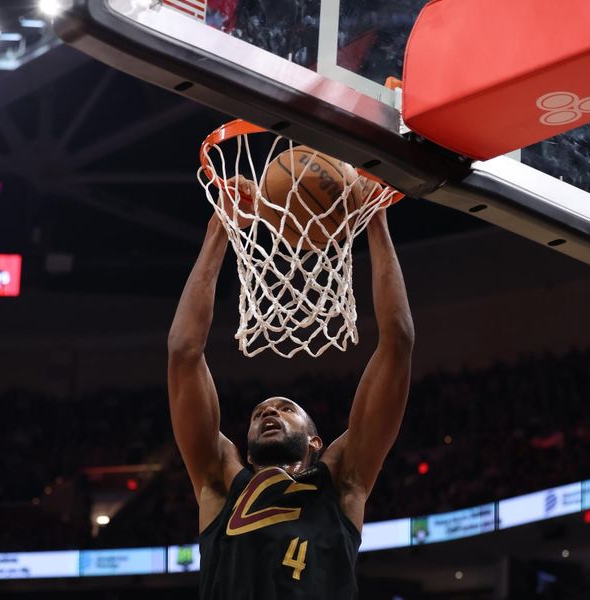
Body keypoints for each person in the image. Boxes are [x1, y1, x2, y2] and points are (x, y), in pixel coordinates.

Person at [167, 176, 414, 599]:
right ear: (244, 448)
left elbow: (399, 341)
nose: (268, 412)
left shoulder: (342, 482)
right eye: (260, 412)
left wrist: (376, 219)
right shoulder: (221, 484)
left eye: (284, 408)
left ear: (316, 441)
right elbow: (183, 351)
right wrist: (220, 227)